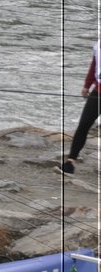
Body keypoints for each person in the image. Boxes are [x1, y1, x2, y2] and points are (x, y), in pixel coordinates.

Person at [60, 40, 99, 175]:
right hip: (98, 92)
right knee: (83, 125)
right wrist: (87, 85)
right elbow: (94, 66)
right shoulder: (98, 45)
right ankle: (70, 161)